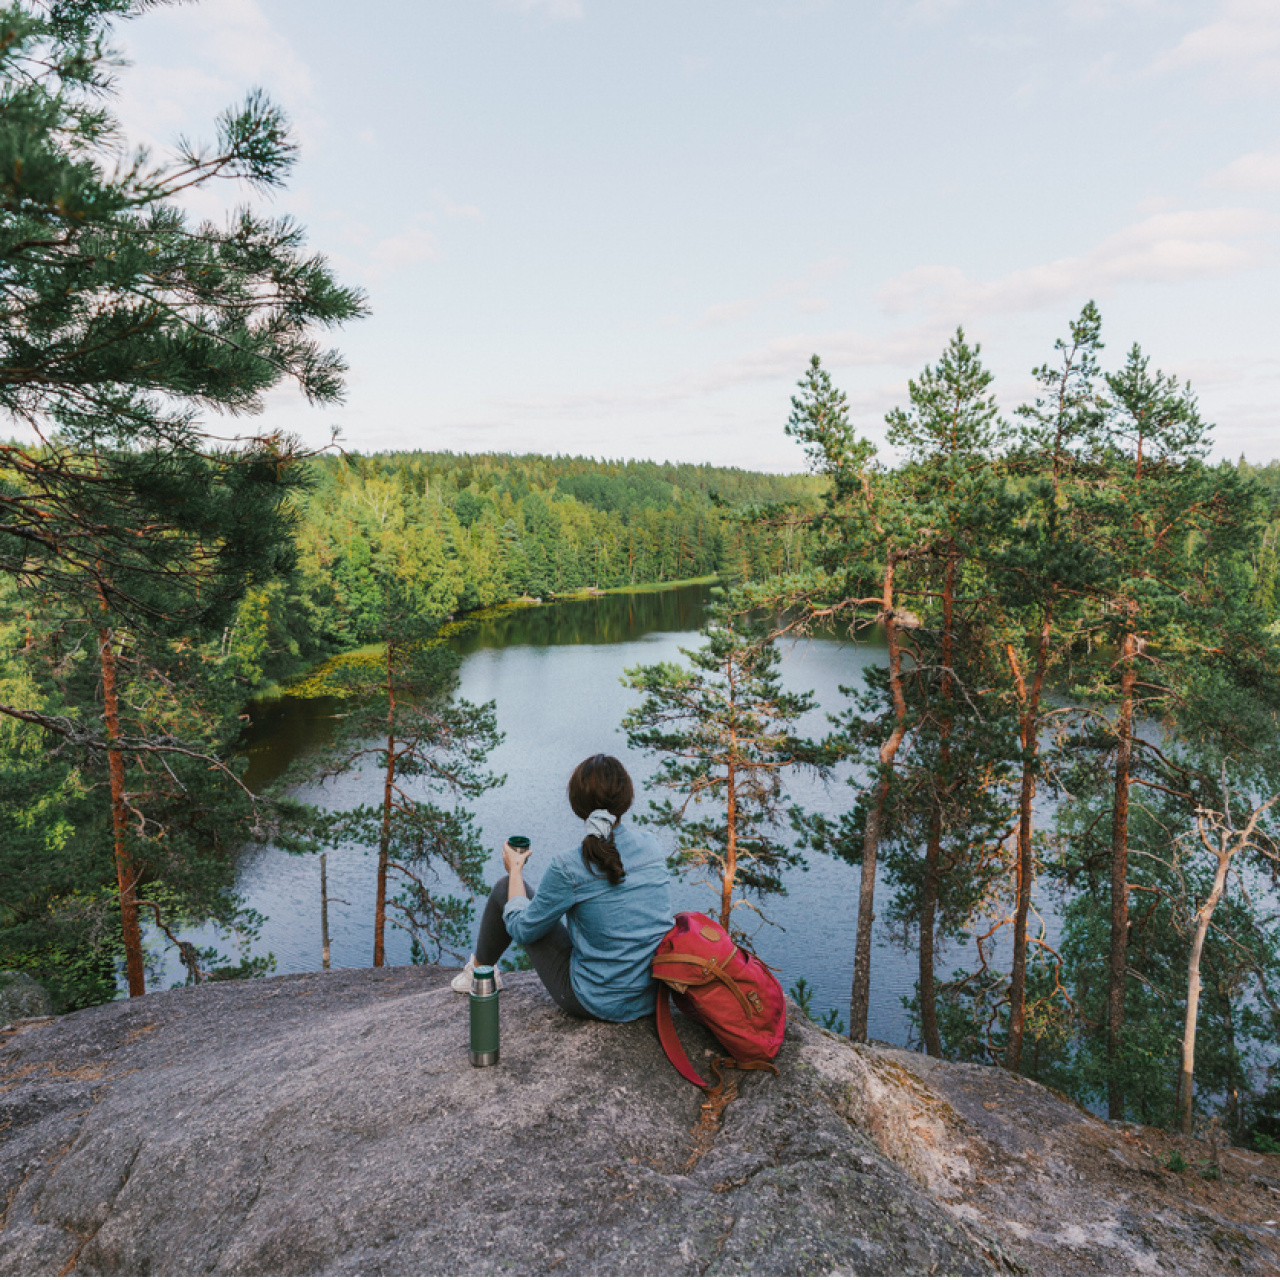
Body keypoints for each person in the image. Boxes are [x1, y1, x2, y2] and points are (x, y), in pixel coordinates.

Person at [451, 754, 673, 1021]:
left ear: (577, 804)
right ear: (626, 799)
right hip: (653, 997)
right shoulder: (652, 845)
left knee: (503, 889)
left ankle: (479, 973)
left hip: (596, 1000)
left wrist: (516, 872)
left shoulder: (569, 865)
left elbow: (522, 930)